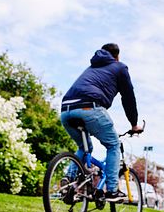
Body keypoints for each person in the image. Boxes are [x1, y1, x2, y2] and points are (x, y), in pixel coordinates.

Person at [60, 43, 142, 202]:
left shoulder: (91, 68)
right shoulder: (120, 67)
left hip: (66, 110)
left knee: (85, 148)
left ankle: (69, 180)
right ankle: (112, 190)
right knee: (113, 145)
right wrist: (134, 124)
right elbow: (128, 98)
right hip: (89, 108)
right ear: (117, 56)